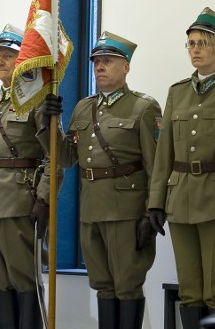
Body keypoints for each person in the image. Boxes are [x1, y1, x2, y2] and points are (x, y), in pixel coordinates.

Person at [146, 8, 215, 329]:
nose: (195, 49)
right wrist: (156, 201)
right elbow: (163, 153)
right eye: (191, 43)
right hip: (179, 201)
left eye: (203, 43)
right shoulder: (176, 92)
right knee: (190, 291)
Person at [43, 31, 162, 329]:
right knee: (103, 285)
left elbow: (157, 165)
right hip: (92, 208)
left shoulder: (143, 107)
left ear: (126, 67)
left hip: (127, 210)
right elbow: (67, 157)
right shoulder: (85, 107)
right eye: (97, 61)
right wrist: (50, 125)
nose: (100, 67)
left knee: (127, 285)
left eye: (108, 61)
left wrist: (153, 211)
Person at [0, 24, 55, 329]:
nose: (1, 61)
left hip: (19, 203)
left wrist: (44, 198)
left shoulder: (37, 101)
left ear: (23, 61)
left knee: (23, 278)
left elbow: (55, 157)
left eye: (8, 56)